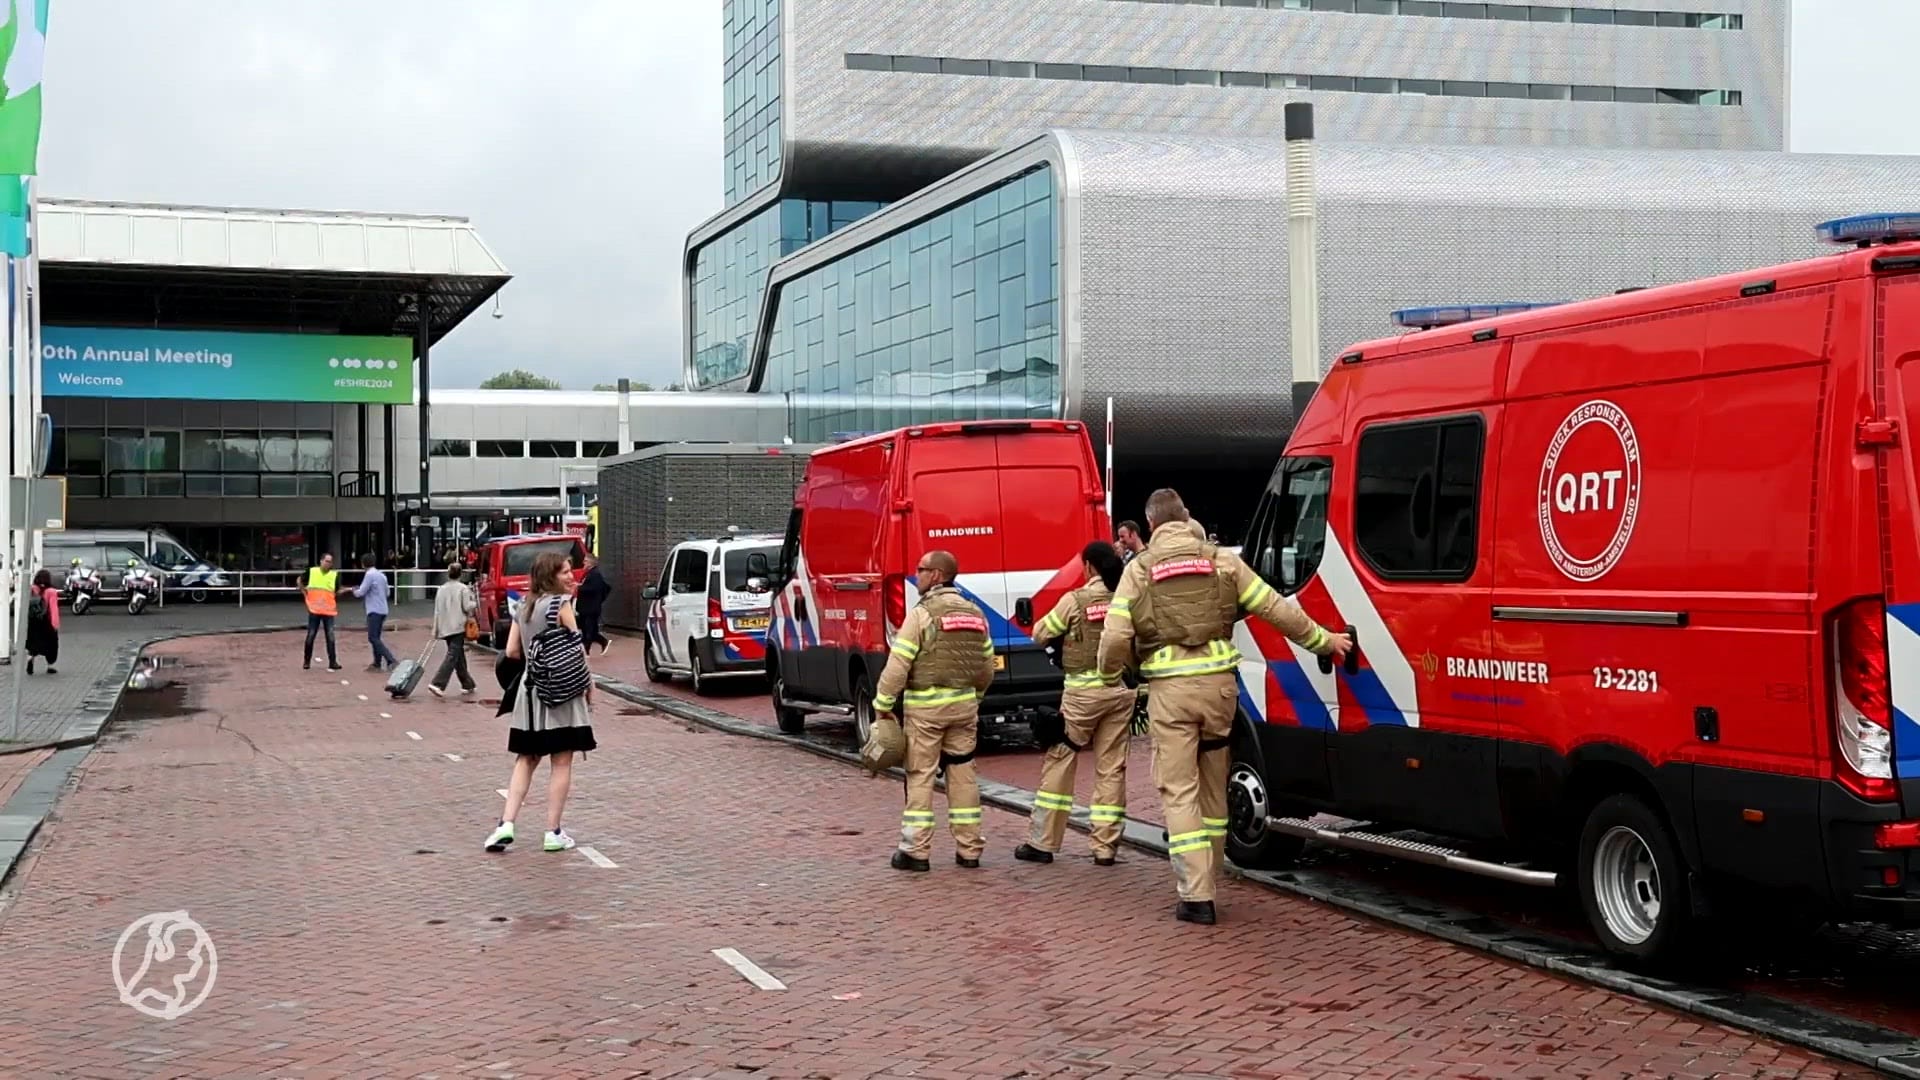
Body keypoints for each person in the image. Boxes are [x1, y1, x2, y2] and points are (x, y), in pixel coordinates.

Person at [1098, 489, 1352, 925]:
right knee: (1216, 784)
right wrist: (1325, 641)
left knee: (1179, 791)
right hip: (1219, 693)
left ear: (1152, 525)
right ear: (1186, 517)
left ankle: (1196, 895)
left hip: (1171, 695)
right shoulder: (1222, 560)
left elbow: (1117, 636)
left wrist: (1109, 675)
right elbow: (1275, 608)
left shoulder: (1139, 570)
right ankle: (1212, 873)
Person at [872, 550, 996, 872]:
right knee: (963, 773)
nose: (917, 576)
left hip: (927, 712)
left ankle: (916, 850)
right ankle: (970, 849)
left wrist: (883, 705)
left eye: (921, 570)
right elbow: (986, 666)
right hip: (964, 709)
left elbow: (898, 664)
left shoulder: (922, 615)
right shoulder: (975, 614)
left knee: (920, 776)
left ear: (937, 575)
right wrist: (976, 697)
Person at [1016, 540, 1133, 867]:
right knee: (1112, 768)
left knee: (1061, 758)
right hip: (1119, 691)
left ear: (1090, 567)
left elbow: (1041, 633)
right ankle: (1105, 847)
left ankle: (1043, 843)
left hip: (1082, 695)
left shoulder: (1075, 600)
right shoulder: (1125, 599)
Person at [485, 551, 597, 854]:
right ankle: (553, 831)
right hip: (561, 692)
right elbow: (577, 649)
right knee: (561, 760)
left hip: (529, 691)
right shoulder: (562, 605)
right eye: (564, 572)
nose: (571, 576)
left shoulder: (523, 606)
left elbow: (511, 651)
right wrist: (589, 685)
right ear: (550, 576)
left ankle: (505, 825)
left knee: (526, 758)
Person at [428, 563, 479, 697]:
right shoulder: (463, 589)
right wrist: (475, 601)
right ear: (460, 574)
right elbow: (467, 607)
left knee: (458, 655)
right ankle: (438, 683)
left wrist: (435, 629)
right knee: (453, 655)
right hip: (458, 626)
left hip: (445, 626)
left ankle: (467, 683)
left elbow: (437, 611)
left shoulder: (441, 589)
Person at [354, 555, 399, 672]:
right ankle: (376, 663)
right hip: (383, 609)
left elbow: (361, 592)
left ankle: (391, 660)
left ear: (363, 564)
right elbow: (388, 593)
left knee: (373, 637)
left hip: (374, 609)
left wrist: (353, 590)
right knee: (376, 637)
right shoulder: (382, 575)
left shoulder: (369, 575)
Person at [302, 553, 346, 672]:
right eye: (326, 561)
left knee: (330, 636)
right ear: (321, 561)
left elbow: (336, 590)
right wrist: (304, 593)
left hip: (328, 610)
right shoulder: (312, 571)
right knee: (311, 635)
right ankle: (306, 661)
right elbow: (300, 581)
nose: (328, 564)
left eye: (330, 562)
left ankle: (333, 662)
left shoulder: (334, 575)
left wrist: (341, 592)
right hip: (314, 609)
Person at [575, 554, 612, 655]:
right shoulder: (589, 574)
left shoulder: (595, 574)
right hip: (585, 608)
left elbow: (595, 588)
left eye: (586, 561)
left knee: (589, 629)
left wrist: (579, 587)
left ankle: (586, 650)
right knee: (588, 629)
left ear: (591, 563)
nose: (583, 563)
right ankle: (602, 642)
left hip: (590, 608)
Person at [25, 568, 59, 676]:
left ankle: (31, 657)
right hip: (46, 621)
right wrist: (55, 624)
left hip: (33, 620)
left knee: (33, 642)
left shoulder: (31, 589)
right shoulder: (51, 592)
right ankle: (50, 666)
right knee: (52, 644)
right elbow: (53, 609)